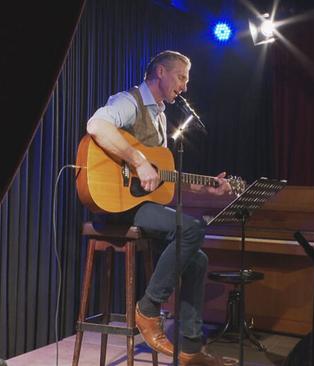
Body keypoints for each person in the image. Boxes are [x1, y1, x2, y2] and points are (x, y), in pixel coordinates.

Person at [86, 50, 231, 366]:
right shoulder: (129, 100)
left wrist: (203, 185)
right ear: (161, 72)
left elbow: (162, 175)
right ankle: (148, 308)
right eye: (181, 77)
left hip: (143, 203)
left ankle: (191, 351)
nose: (185, 86)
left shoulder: (162, 117)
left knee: (197, 257)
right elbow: (96, 125)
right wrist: (137, 160)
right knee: (192, 227)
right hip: (116, 203)